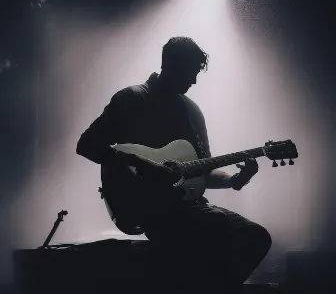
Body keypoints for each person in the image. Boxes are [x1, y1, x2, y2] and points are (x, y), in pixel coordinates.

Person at [76, 37, 272, 288]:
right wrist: (143, 163)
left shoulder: (192, 112)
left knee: (256, 237)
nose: (194, 80)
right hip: (146, 207)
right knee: (214, 223)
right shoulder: (133, 98)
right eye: (191, 71)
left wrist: (235, 179)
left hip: (190, 206)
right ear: (171, 64)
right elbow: (86, 145)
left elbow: (204, 172)